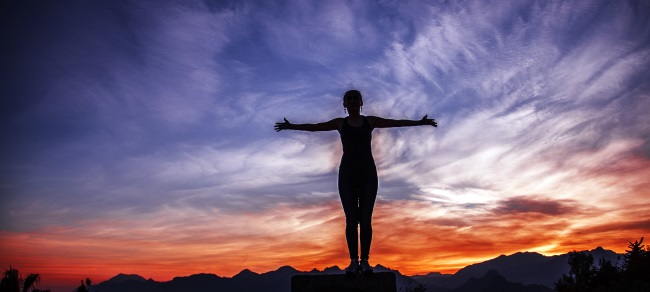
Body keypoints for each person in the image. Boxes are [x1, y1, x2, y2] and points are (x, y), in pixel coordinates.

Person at [274, 89, 437, 274]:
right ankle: (353, 262)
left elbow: (396, 123)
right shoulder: (340, 123)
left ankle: (365, 261)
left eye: (355, 98)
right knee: (352, 220)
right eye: (348, 99)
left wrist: (420, 122)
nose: (352, 101)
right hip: (347, 176)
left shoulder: (370, 121)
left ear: (361, 103)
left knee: (365, 220)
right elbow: (314, 127)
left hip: (368, 174)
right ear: (344, 104)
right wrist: (291, 126)